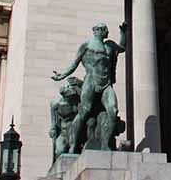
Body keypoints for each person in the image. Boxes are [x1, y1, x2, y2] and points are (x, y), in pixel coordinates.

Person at [52, 22, 127, 152]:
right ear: (98, 30)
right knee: (84, 111)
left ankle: (105, 144)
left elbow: (122, 48)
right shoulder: (86, 46)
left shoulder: (110, 45)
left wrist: (124, 34)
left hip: (106, 84)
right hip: (91, 81)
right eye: (105, 30)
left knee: (113, 112)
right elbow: (74, 64)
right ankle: (73, 145)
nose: (107, 32)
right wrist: (61, 76)